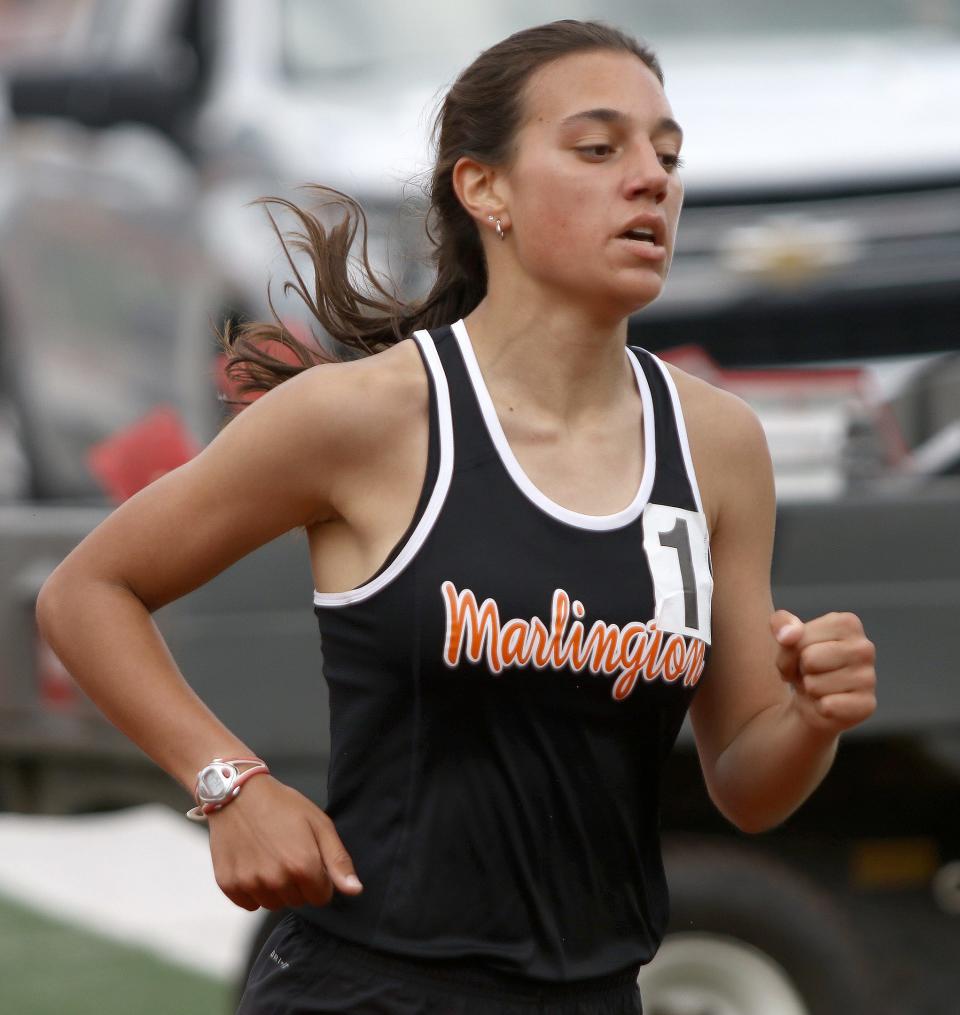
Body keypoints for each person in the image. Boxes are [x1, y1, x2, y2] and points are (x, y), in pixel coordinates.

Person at [35, 18, 878, 1015]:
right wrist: (231, 787)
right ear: (485, 190)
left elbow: (746, 780)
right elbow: (87, 589)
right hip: (366, 988)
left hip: (598, 993)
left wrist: (814, 717)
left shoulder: (719, 443)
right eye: (599, 148)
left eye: (668, 152)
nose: (651, 177)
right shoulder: (368, 416)